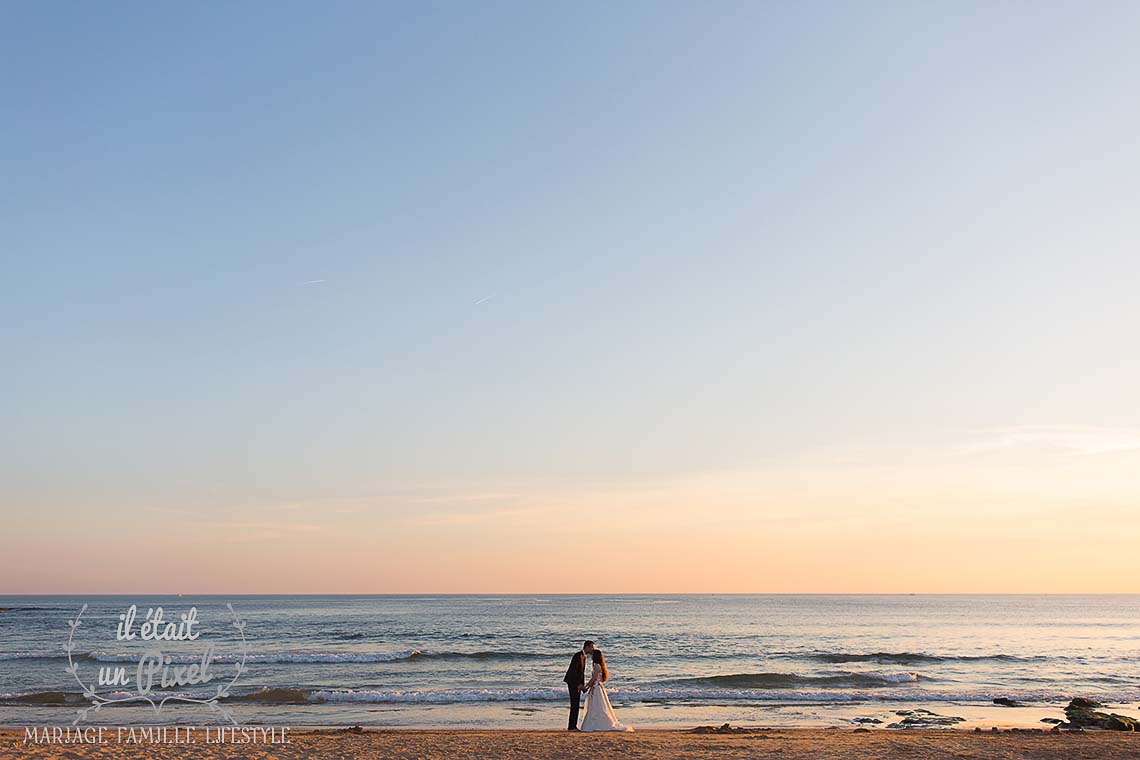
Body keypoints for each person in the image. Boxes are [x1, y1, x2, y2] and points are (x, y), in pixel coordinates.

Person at [579, 649, 631, 732]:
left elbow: (593, 678)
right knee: (596, 706)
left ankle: (598, 724)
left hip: (596, 687)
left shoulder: (597, 666)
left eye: (592, 655)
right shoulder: (598, 665)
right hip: (596, 687)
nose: (591, 656)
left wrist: (586, 687)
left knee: (597, 706)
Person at [563, 640, 594, 730]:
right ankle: (572, 726)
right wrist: (578, 685)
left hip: (576, 683)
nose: (592, 649)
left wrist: (582, 685)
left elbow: (581, 673)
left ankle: (572, 725)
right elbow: (574, 672)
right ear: (587, 647)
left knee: (576, 704)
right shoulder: (578, 656)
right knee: (574, 704)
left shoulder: (583, 656)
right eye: (591, 647)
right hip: (572, 683)